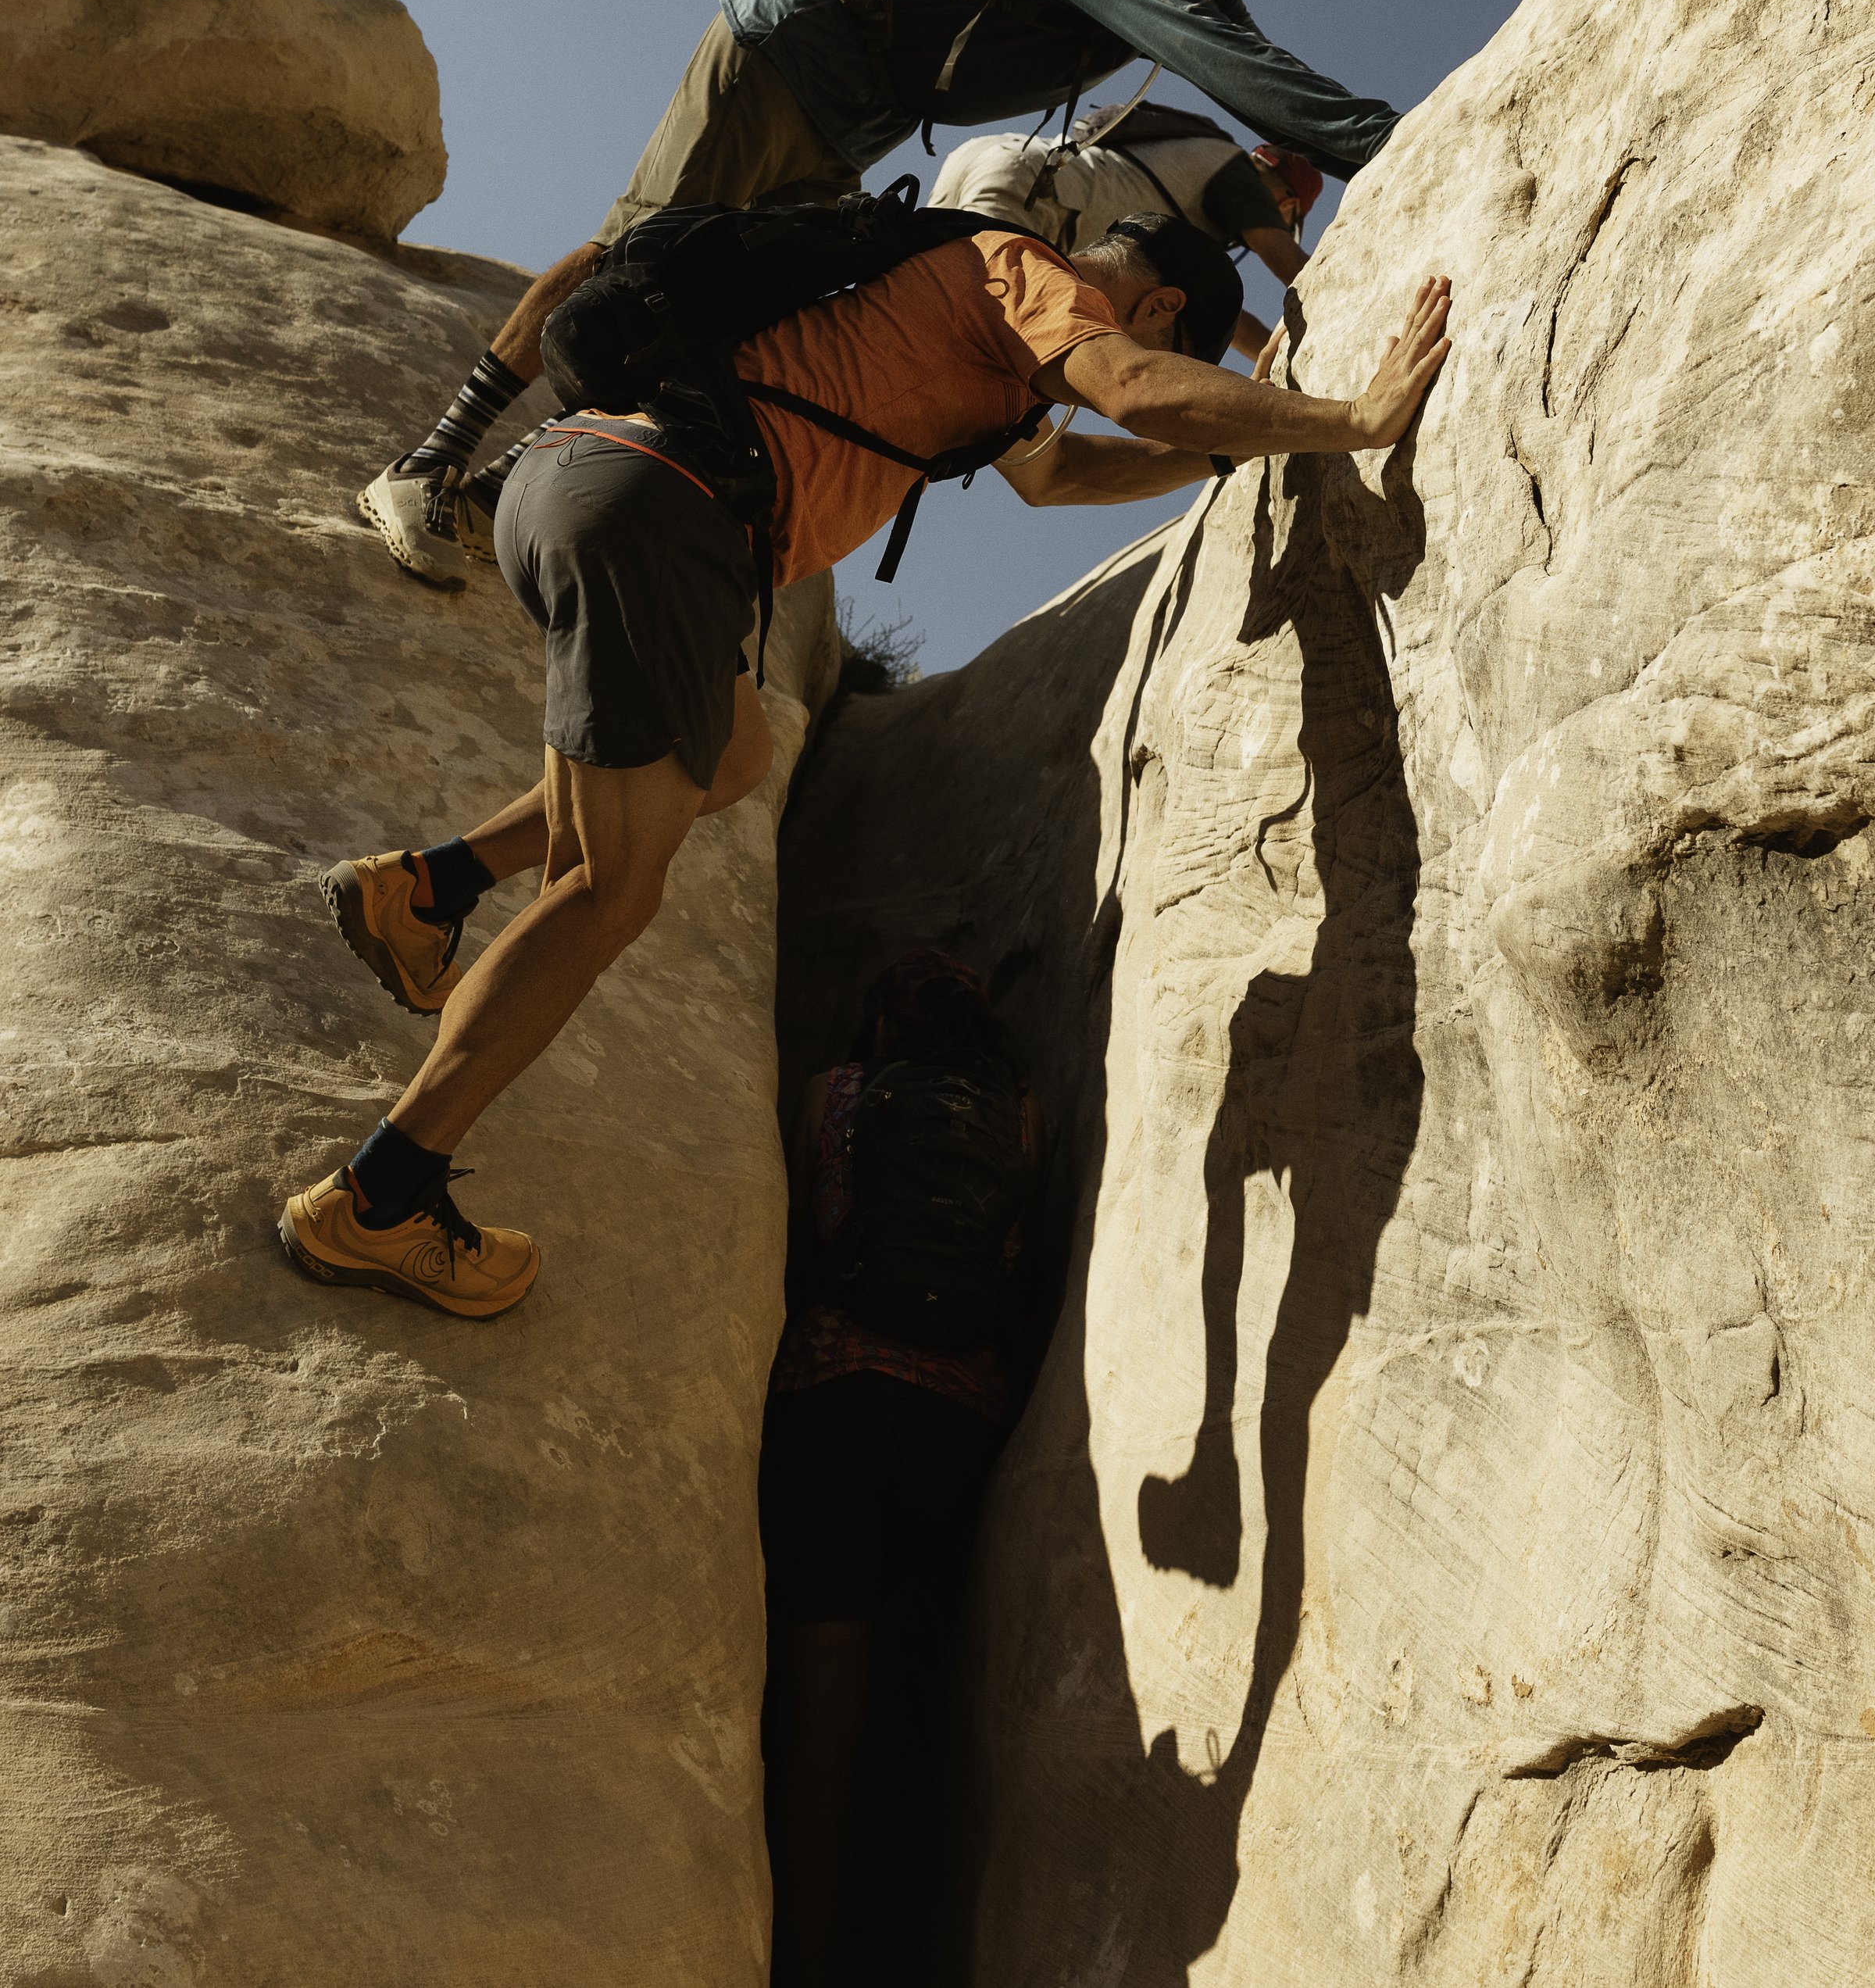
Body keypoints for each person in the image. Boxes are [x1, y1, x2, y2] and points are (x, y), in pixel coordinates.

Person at [282, 209, 1450, 1321]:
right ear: (1156, 304)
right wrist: (1352, 418)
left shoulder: (967, 323)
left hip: (578, 479)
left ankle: (423, 890)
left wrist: (1221, 453)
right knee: (607, 886)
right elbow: (1137, 389)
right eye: (1166, 344)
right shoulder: (1025, 274)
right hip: (661, 510)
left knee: (730, 756)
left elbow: (1061, 476)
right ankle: (378, 1200)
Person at [359, 0, 1401, 586]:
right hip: (790, 52)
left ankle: (498, 490)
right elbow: (1232, 63)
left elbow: (1246, 45)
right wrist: (1403, 142)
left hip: (857, 118)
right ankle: (430, 463)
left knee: (749, 294)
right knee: (636, 255)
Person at [762, 948, 1040, 1988]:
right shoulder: (1023, 1114)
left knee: (822, 1718)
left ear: (881, 1025)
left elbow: (795, 1251)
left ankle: (805, 1961)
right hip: (961, 1430)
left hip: (835, 1408)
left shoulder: (829, 1094)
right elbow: (1017, 1265)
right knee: (917, 1711)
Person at [928, 104, 1323, 361]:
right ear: (1287, 203)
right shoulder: (1241, 175)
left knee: (924, 297)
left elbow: (1210, 315)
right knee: (980, 334)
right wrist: (1298, 354)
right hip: (1041, 195)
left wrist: (1268, 352)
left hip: (988, 158)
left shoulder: (1199, 154)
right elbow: (1295, 268)